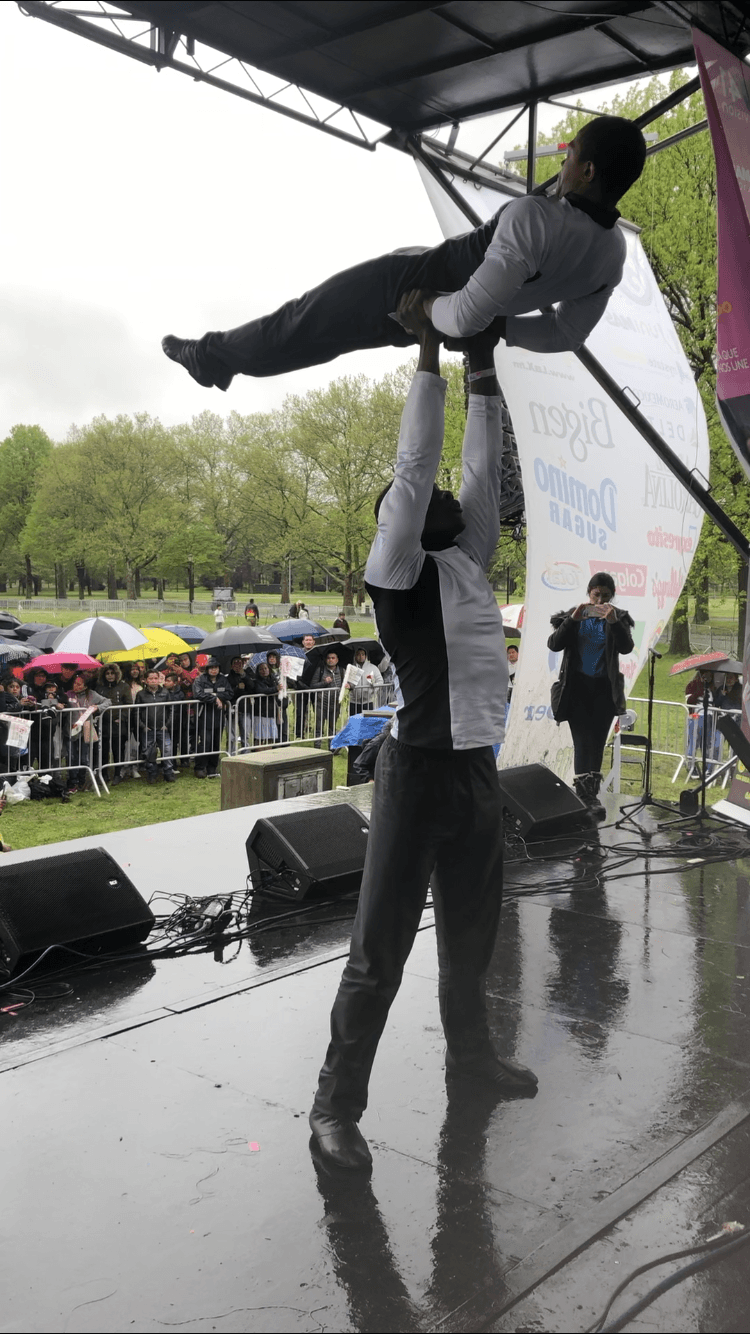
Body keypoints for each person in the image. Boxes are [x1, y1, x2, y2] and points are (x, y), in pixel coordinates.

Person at [309, 296, 537, 1174]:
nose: (443, 496)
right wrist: (430, 353)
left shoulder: (464, 558)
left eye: (442, 499)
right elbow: (418, 468)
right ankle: (334, 1109)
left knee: (475, 938)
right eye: (425, 499)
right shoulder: (395, 566)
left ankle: (471, 1060)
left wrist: (486, 371)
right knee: (379, 957)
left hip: (478, 773)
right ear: (397, 521)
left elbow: (480, 475)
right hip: (414, 777)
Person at [162, 116, 646, 390]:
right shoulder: (612, 255)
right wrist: (501, 326)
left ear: (587, 172)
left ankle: (208, 356)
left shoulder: (535, 217)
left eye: (571, 155)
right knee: (313, 338)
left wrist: (430, 308)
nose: (562, 165)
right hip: (430, 290)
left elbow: (460, 319)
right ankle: (217, 359)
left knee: (299, 322)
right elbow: (565, 334)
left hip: (408, 289)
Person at [548, 573, 634, 817]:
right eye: (596, 595)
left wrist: (614, 622)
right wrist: (572, 620)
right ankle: (583, 795)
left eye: (605, 596)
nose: (600, 600)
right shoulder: (574, 615)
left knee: (596, 743)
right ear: (589, 592)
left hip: (604, 690)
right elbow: (554, 644)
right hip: (577, 689)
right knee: (582, 742)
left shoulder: (618, 618)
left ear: (611, 597)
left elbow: (626, 648)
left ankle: (591, 797)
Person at [65, 672, 110, 793]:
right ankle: (72, 782)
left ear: (85, 686)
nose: (76, 686)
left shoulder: (91, 695)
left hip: (85, 731)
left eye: (79, 684)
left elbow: (107, 701)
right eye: (75, 683)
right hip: (71, 730)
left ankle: (82, 781)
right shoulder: (68, 694)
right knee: (72, 757)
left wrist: (97, 708)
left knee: (84, 757)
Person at [193, 657, 232, 776]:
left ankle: (212, 768)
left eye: (216, 668)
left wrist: (218, 696)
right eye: (211, 668)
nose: (214, 670)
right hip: (204, 716)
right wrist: (214, 699)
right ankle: (200, 767)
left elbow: (230, 693)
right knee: (205, 742)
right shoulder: (200, 680)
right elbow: (198, 694)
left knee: (216, 743)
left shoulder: (223, 680)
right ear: (207, 669)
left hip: (219, 716)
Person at [137, 668, 177, 784]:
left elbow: (171, 710)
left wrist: (167, 724)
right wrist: (142, 726)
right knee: (149, 751)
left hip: (162, 729)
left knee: (167, 749)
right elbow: (136, 712)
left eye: (156, 678)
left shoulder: (165, 693)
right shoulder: (141, 695)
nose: (154, 681)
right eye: (151, 678)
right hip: (148, 729)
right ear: (145, 680)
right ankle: (152, 773)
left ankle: (168, 772)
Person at [96, 663, 131, 785]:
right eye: (107, 673)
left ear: (117, 674)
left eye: (112, 673)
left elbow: (128, 704)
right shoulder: (99, 687)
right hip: (103, 723)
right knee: (103, 750)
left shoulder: (124, 686)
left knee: (118, 749)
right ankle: (104, 774)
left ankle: (118, 773)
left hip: (118, 723)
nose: (110, 676)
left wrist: (122, 718)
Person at [310, 649, 343, 744]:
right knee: (319, 726)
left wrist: (349, 685)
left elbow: (348, 683)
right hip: (321, 703)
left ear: (337, 660)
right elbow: (312, 685)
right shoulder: (320, 670)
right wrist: (324, 682)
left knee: (332, 727)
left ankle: (331, 747)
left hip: (335, 703)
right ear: (325, 660)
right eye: (328, 658)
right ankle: (317, 747)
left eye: (333, 658)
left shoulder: (341, 671)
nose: (330, 660)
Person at [248, 660, 280, 744]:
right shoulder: (256, 681)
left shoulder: (273, 679)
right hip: (260, 712)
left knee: (270, 736)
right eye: (261, 669)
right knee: (259, 736)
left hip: (271, 711)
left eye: (266, 668)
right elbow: (261, 690)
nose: (264, 670)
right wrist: (275, 689)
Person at [347, 647, 384, 716]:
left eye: (362, 654)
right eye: (358, 654)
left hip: (368, 702)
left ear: (366, 656)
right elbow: (347, 682)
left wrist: (374, 688)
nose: (360, 656)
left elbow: (380, 681)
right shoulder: (351, 668)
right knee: (354, 722)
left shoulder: (373, 667)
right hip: (353, 702)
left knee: (367, 722)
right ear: (355, 656)